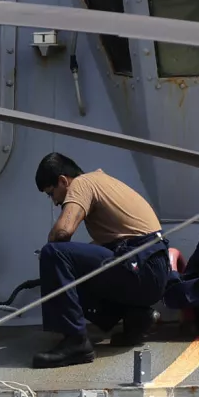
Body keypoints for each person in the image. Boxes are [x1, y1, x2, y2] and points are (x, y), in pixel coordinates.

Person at [32, 152, 170, 369]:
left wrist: (47, 252)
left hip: (141, 266)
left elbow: (62, 233)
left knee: (53, 253)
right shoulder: (101, 182)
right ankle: (136, 317)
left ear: (62, 180)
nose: (56, 201)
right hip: (150, 269)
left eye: (52, 193)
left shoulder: (82, 183)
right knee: (71, 269)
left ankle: (75, 342)